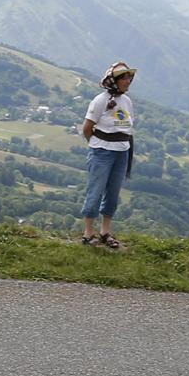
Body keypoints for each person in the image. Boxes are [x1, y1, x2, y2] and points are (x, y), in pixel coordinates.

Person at [80, 61, 137, 248]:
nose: (128, 80)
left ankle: (105, 232)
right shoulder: (100, 100)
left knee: (113, 193)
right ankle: (88, 233)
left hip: (122, 152)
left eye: (129, 77)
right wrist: (98, 146)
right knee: (95, 191)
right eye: (124, 77)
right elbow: (87, 128)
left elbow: (128, 126)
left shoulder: (126, 101)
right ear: (114, 81)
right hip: (102, 152)